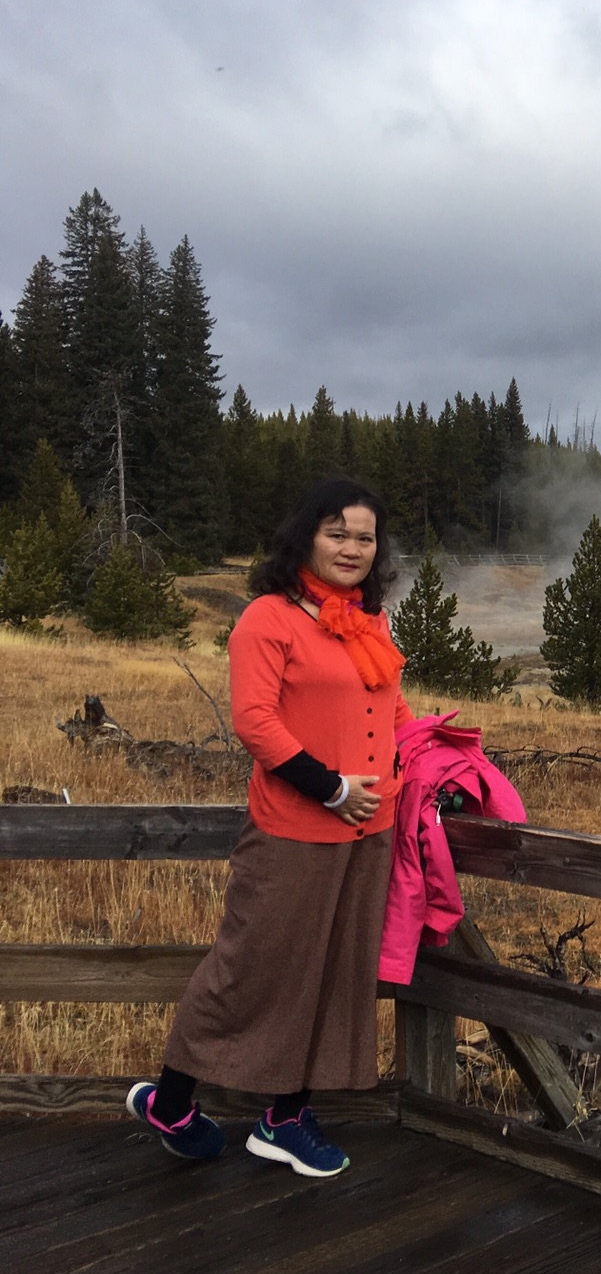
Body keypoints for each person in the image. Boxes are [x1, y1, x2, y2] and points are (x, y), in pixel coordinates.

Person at [127, 478, 412, 1177]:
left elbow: (394, 713)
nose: (352, 547)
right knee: (250, 966)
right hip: (295, 827)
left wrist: (431, 772)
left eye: (364, 537)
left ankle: (285, 1118)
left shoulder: (369, 622)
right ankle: (171, 1101)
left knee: (334, 973)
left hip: (369, 830)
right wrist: (331, 787)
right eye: (337, 532)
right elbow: (256, 722)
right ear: (305, 537)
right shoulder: (268, 618)